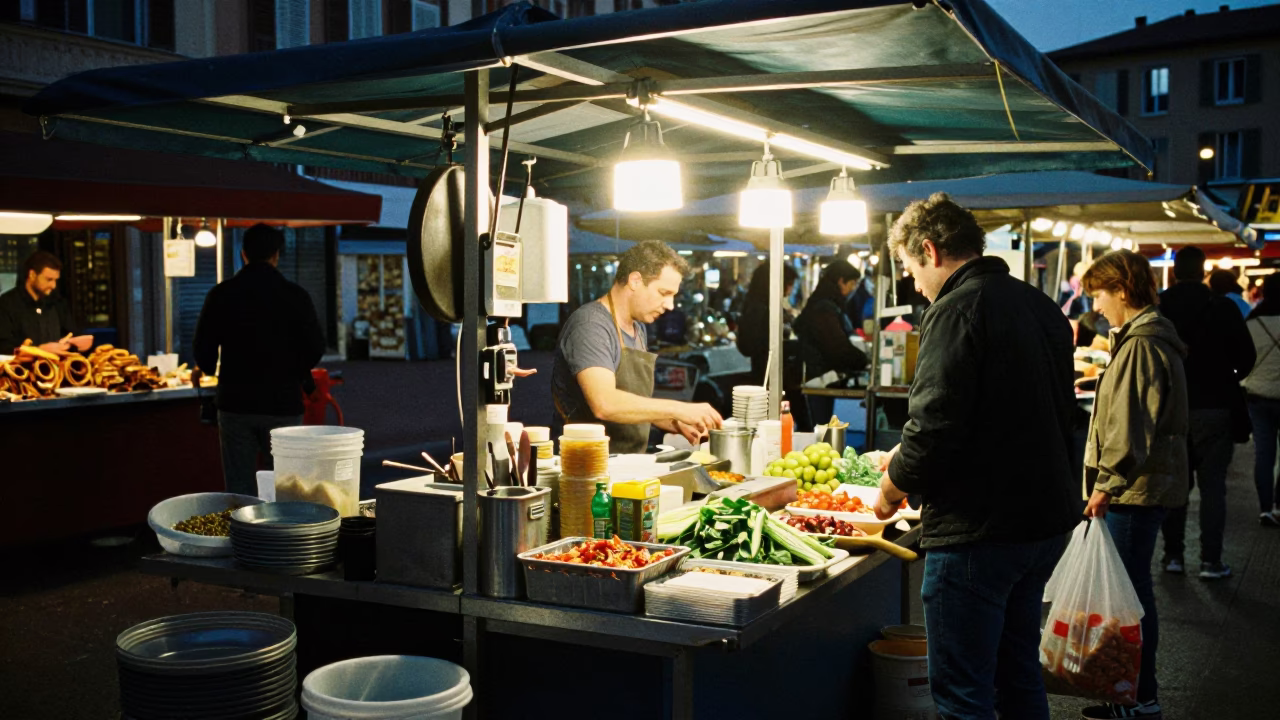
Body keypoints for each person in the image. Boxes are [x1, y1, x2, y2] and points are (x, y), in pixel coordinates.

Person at [873, 193, 1079, 720]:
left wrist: (892, 483)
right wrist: (908, 453)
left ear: (929, 249)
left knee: (965, 695)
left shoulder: (956, 308)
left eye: (910, 269)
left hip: (980, 532)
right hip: (1044, 522)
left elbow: (935, 427)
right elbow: (1006, 411)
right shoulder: (1038, 304)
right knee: (1017, 675)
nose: (913, 285)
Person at [1079, 250, 1189, 720]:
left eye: (1100, 295)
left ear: (1122, 290)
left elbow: (1129, 427)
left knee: (1129, 597)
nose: (1097, 306)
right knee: (1132, 591)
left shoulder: (1142, 345)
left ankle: (1139, 696)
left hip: (1134, 489)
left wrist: (1105, 485)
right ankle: (1132, 692)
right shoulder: (1144, 339)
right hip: (1144, 485)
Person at [551, 240, 722, 453]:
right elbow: (605, 403)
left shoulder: (638, 328)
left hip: (630, 464)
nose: (670, 305)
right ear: (635, 280)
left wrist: (673, 421)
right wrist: (679, 408)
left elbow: (633, 406)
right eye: (663, 292)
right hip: (588, 467)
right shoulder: (591, 326)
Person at [193, 224, 326, 497]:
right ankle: (279, 537)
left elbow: (203, 351)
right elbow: (315, 347)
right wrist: (295, 370)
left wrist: (205, 367)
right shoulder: (295, 295)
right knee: (283, 485)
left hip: (235, 404)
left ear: (243, 254)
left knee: (239, 485)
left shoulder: (222, 294)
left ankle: (243, 538)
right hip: (283, 404)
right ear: (276, 255)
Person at [1156, 246, 1254, 580]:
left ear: (1175, 269)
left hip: (1170, 409)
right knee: (1213, 488)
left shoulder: (1160, 307)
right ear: (1203, 271)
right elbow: (1247, 358)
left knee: (1175, 486)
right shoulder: (1223, 307)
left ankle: (1173, 556)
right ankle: (1211, 561)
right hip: (1216, 407)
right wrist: (1226, 376)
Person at [793, 259, 868, 425]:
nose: (853, 289)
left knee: (821, 429)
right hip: (816, 381)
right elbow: (836, 346)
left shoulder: (825, 304)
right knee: (818, 431)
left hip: (820, 380)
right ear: (841, 281)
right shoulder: (824, 308)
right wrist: (863, 360)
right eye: (852, 283)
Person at [1243, 272, 1280, 527]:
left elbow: (1241, 360)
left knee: (1264, 454)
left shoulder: (1251, 323)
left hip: (1256, 396)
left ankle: (1265, 508)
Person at [0, 251, 91, 355]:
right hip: (22, 369)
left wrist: (78, 343)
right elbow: (3, 345)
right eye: (49, 279)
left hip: (58, 368)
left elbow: (71, 332)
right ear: (32, 275)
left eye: (55, 280)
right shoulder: (7, 303)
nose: (53, 286)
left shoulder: (58, 302)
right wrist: (38, 350)